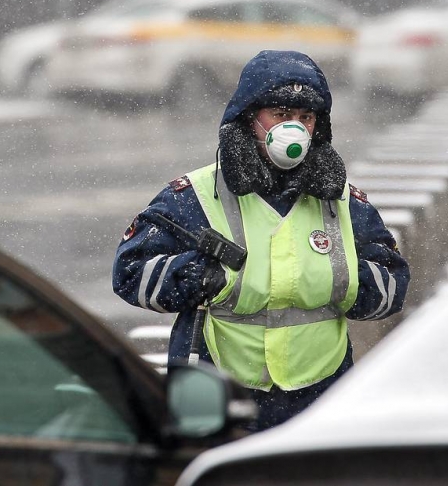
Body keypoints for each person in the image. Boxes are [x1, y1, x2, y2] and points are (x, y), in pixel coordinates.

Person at [112, 50, 410, 431]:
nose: (295, 128)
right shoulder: (195, 196)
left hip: (321, 392)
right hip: (217, 388)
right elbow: (129, 272)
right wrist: (197, 277)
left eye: (305, 117)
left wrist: (348, 281)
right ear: (249, 117)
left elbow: (392, 283)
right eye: (281, 115)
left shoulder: (342, 201)